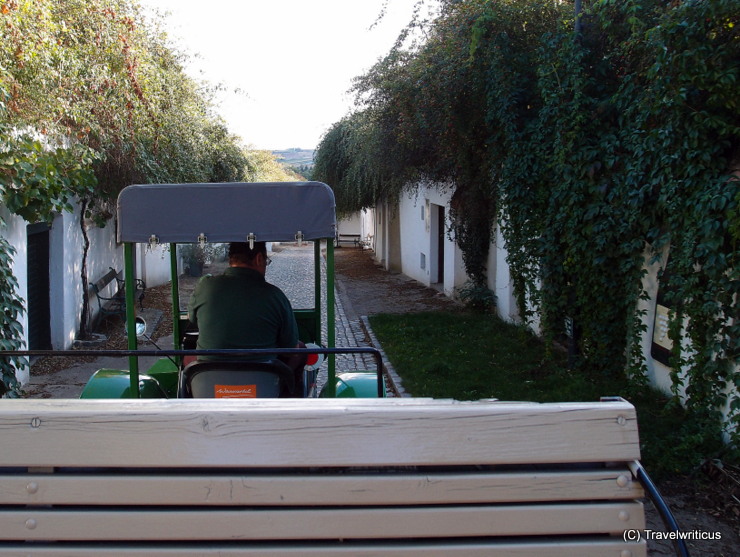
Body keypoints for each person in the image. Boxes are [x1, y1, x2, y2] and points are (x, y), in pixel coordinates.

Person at [187, 241, 305, 394]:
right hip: (263, 381)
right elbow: (291, 348)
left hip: (208, 381)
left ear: (231, 259)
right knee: (301, 349)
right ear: (258, 259)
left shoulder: (205, 287)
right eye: (266, 262)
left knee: (187, 356)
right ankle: (287, 394)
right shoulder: (275, 296)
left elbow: (192, 319)